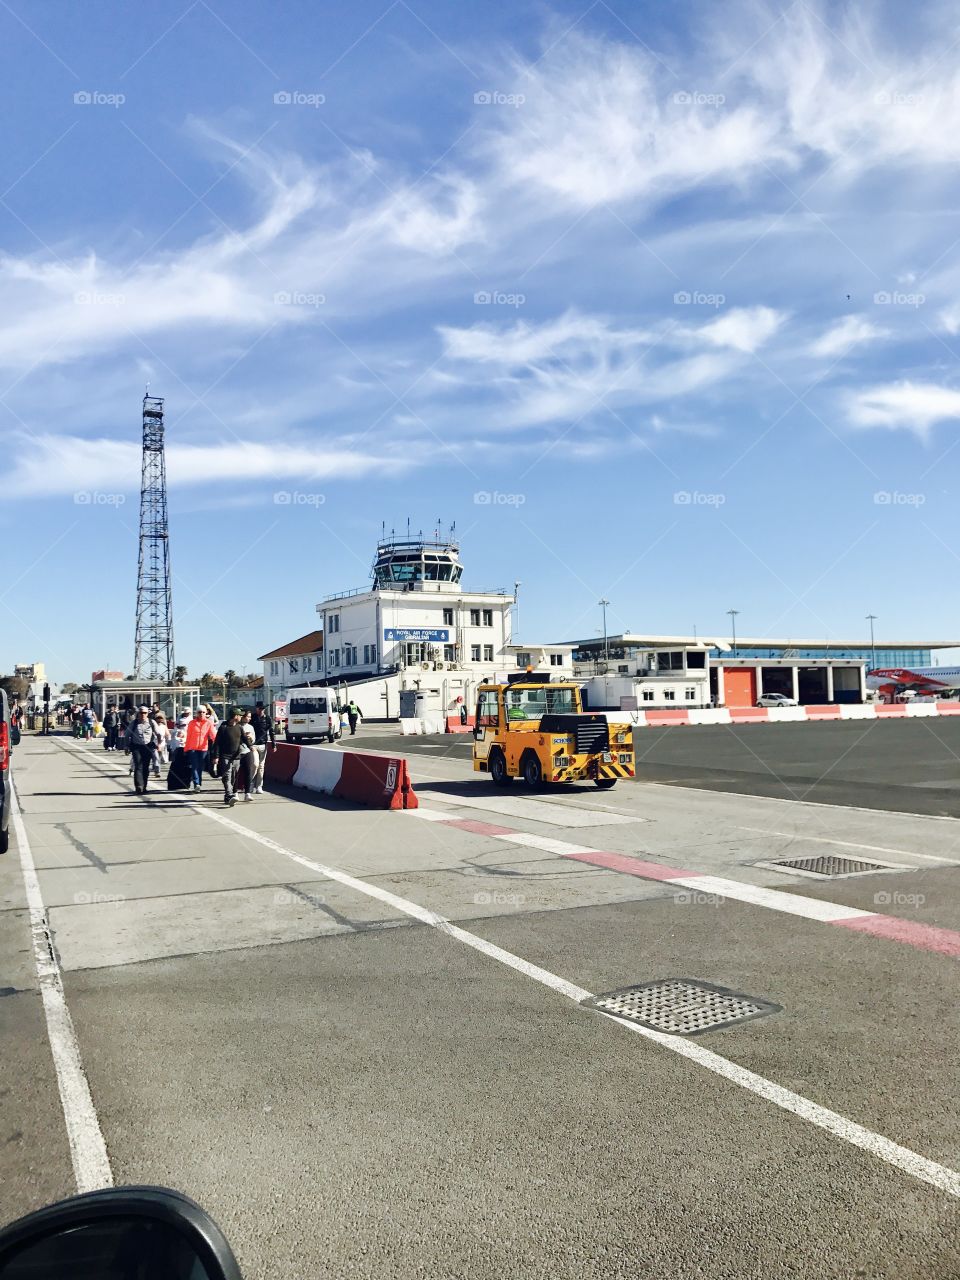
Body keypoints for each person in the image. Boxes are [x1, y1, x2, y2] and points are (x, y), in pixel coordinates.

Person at [212, 708, 244, 807]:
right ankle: (229, 794)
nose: (241, 717)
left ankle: (227, 796)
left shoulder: (239, 727)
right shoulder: (223, 728)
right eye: (240, 715)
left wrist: (251, 746)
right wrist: (216, 756)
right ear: (235, 716)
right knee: (227, 776)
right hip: (225, 756)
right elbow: (217, 743)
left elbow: (244, 739)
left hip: (236, 757)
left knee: (233, 777)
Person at [124, 707, 160, 795]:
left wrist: (159, 744)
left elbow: (158, 733)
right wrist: (126, 747)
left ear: (147, 714)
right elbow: (127, 735)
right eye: (141, 713)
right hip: (136, 747)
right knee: (138, 766)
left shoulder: (152, 722)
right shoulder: (134, 723)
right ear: (138, 714)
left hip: (148, 747)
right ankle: (139, 786)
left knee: (145, 767)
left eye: (144, 713)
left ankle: (144, 786)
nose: (143, 715)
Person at [183, 706, 216, 793]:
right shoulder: (192, 723)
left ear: (206, 713)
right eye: (199, 712)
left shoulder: (209, 723)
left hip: (203, 748)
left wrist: (218, 744)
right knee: (194, 766)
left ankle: (199, 783)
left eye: (203, 712)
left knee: (200, 767)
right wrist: (186, 749)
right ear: (196, 713)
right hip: (192, 748)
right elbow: (188, 736)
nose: (201, 714)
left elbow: (213, 736)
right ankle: (196, 784)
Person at [249, 701, 275, 794]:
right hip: (253, 745)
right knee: (255, 765)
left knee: (261, 766)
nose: (261, 710)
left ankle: (259, 786)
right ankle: (250, 784)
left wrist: (273, 744)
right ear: (256, 708)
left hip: (263, 745)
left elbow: (271, 731)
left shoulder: (268, 718)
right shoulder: (252, 718)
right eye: (259, 708)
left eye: (262, 709)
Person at [238, 711, 257, 802]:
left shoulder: (250, 727)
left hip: (247, 751)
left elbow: (253, 739)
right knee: (236, 772)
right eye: (248, 717)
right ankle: (235, 792)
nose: (249, 718)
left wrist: (250, 738)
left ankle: (247, 793)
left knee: (249, 771)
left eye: (250, 717)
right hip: (237, 752)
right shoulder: (237, 726)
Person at [151, 712, 171, 776]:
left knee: (158, 758)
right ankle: (157, 770)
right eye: (158, 719)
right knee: (155, 757)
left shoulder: (163, 726)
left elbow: (167, 734)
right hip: (154, 744)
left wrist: (168, 738)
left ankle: (156, 768)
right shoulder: (153, 726)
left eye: (161, 719)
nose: (159, 720)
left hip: (161, 744)